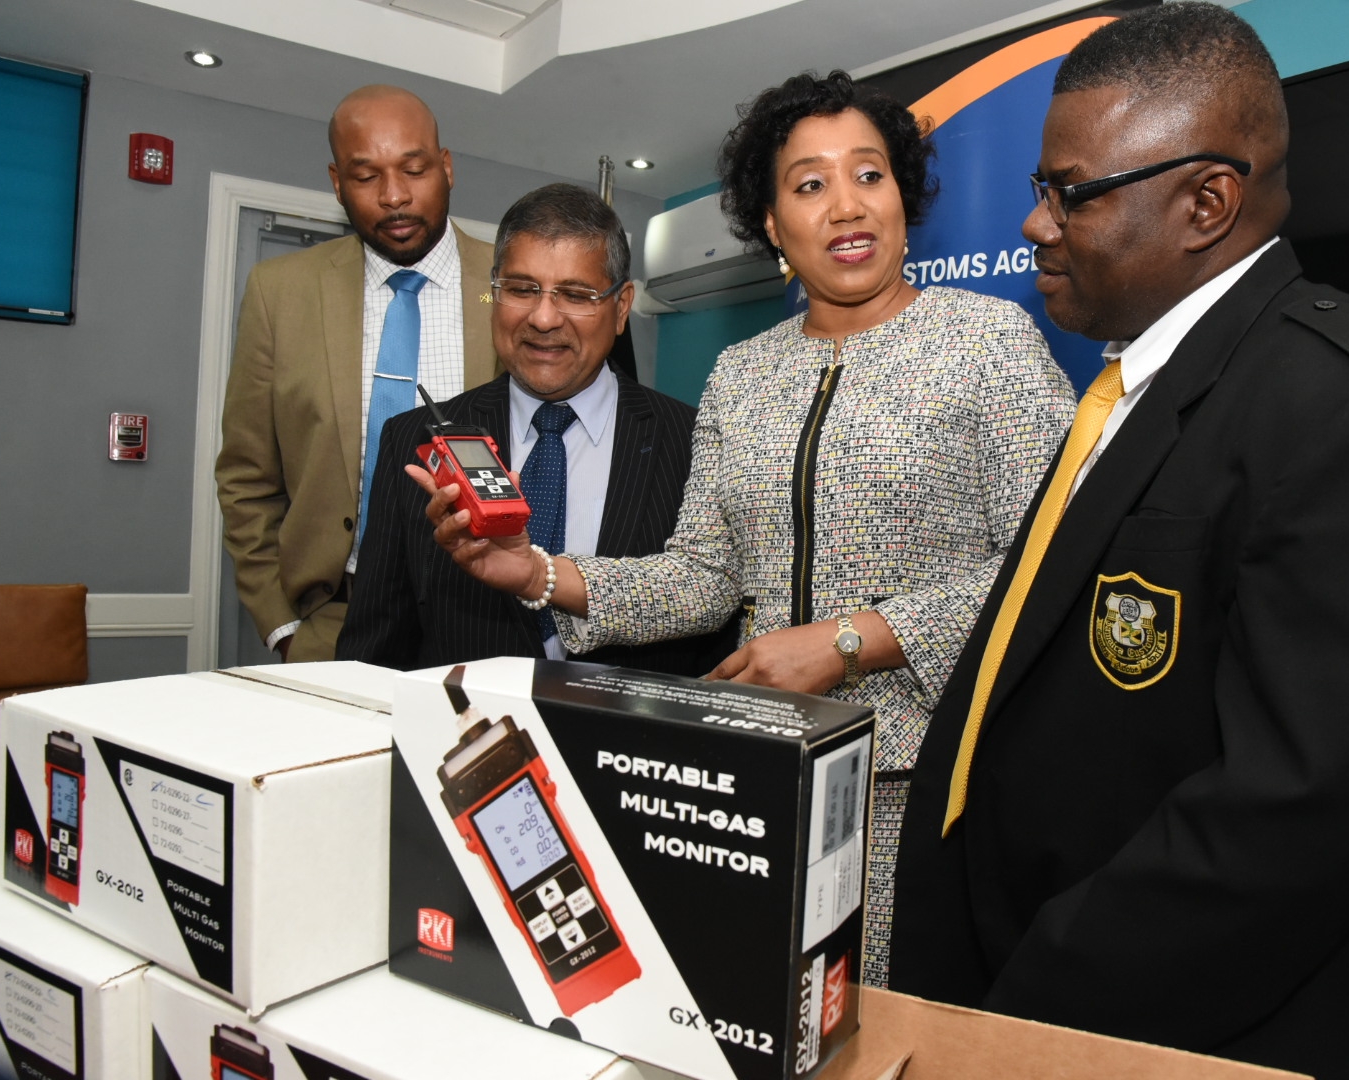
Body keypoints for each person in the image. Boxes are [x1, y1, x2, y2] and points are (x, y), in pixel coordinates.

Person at [887, 7, 1349, 1079]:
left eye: (1070, 193)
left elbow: (1298, 819)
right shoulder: (1133, 384)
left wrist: (1025, 1009)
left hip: (1149, 1030)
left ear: (1207, 203)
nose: (1036, 224)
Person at [413, 71, 1075, 987]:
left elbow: (1052, 561)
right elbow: (704, 573)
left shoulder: (990, 343)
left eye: (869, 175)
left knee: (890, 1022)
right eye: (810, 184)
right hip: (761, 777)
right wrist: (537, 574)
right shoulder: (741, 374)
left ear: (903, 196)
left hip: (927, 785)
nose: (847, 205)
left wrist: (848, 642)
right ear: (771, 222)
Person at [336, 183, 735, 674]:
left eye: (576, 294)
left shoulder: (696, 441)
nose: (544, 318)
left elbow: (713, 642)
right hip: (464, 721)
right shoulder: (414, 440)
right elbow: (373, 652)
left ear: (621, 307)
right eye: (522, 290)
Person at [216, 84, 498, 663]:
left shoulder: (512, 283)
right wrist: (281, 625)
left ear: (446, 168)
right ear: (337, 182)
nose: (394, 196)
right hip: (331, 626)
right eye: (366, 176)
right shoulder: (279, 293)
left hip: (487, 617)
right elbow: (247, 475)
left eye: (414, 170)